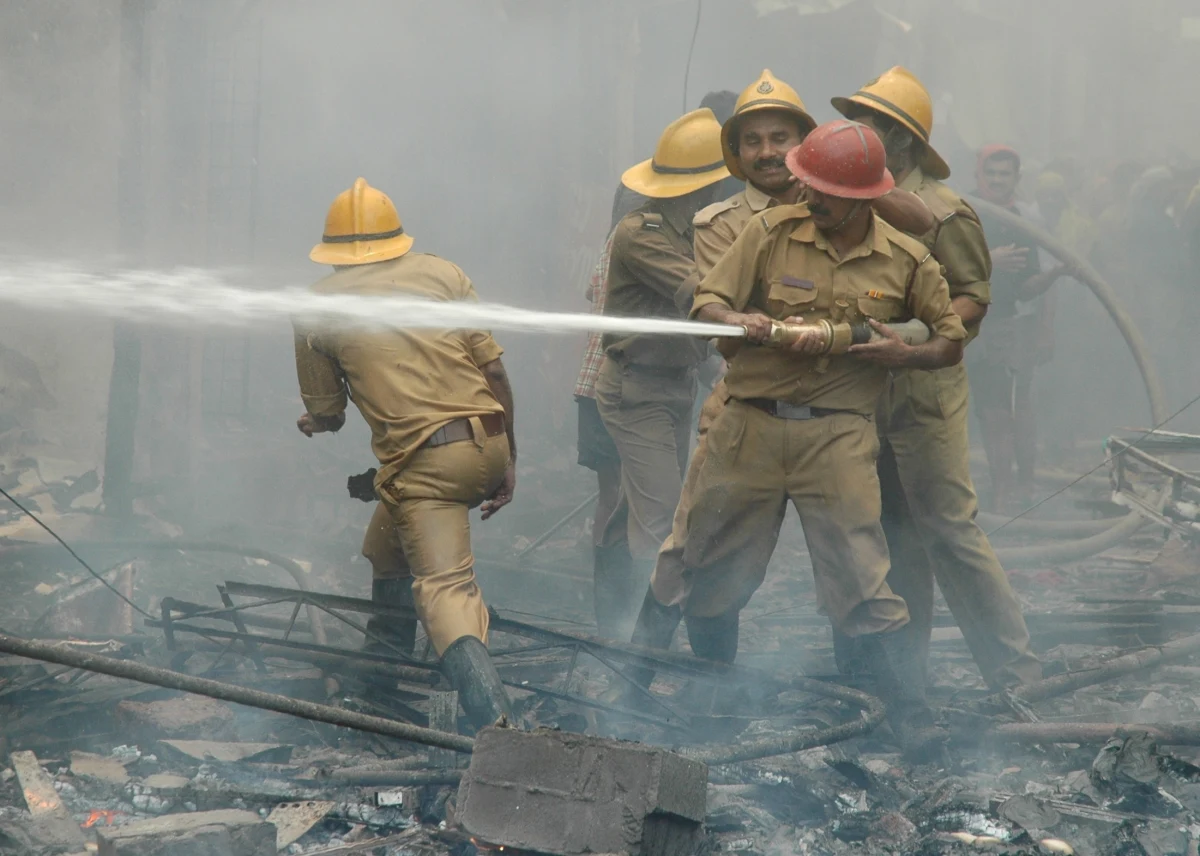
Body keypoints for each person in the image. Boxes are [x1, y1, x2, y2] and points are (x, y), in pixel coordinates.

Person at [639, 120, 968, 757]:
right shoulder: (768, 233)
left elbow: (950, 339)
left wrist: (904, 354)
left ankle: (912, 716)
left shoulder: (907, 258)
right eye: (806, 184)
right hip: (750, 425)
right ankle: (674, 694)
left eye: (823, 189)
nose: (808, 196)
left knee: (864, 577)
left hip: (839, 437)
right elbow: (706, 303)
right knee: (695, 560)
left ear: (865, 196)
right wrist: (740, 320)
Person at [829, 68, 1042, 691]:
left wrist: (917, 342)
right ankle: (901, 676)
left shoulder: (944, 213)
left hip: (925, 392)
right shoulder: (844, 202)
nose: (852, 134)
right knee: (882, 531)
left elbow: (975, 298)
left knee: (947, 528)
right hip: (859, 393)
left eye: (865, 124)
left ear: (898, 140)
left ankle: (1016, 675)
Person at [295, 178, 518, 730]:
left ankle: (503, 730)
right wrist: (509, 455)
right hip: (486, 441)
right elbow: (492, 371)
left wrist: (315, 422)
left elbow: (328, 412)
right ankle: (381, 680)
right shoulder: (444, 274)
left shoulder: (317, 305)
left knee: (446, 592)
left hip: (428, 465)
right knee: (386, 548)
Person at [593, 108, 731, 638]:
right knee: (662, 523)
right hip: (637, 392)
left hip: (674, 385)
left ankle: (611, 618)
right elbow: (703, 292)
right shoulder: (642, 233)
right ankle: (649, 644)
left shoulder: (701, 229)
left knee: (640, 507)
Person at [970, 145, 1066, 511]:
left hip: (1003, 326)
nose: (996, 180)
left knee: (1011, 409)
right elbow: (941, 266)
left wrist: (1052, 277)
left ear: (1016, 179)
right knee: (983, 412)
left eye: (1004, 174)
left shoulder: (1021, 220)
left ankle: (1014, 488)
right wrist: (988, 260)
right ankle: (999, 487)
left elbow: (1026, 284)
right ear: (979, 174)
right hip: (958, 324)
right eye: (990, 173)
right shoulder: (962, 211)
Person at [573, 233, 626, 635]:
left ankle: (610, 614)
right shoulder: (659, 235)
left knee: (612, 496)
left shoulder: (617, 232)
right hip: (623, 387)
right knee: (635, 500)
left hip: (594, 382)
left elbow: (594, 292)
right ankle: (622, 615)